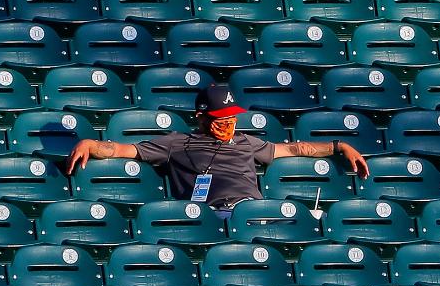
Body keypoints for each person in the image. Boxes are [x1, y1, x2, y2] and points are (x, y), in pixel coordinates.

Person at [66, 85, 370, 218]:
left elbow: (295, 148)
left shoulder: (247, 142)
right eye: (219, 119)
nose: (228, 124)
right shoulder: (176, 143)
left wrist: (338, 146)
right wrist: (91, 144)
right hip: (214, 214)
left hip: (256, 210)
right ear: (201, 117)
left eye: (231, 118)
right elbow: (122, 148)